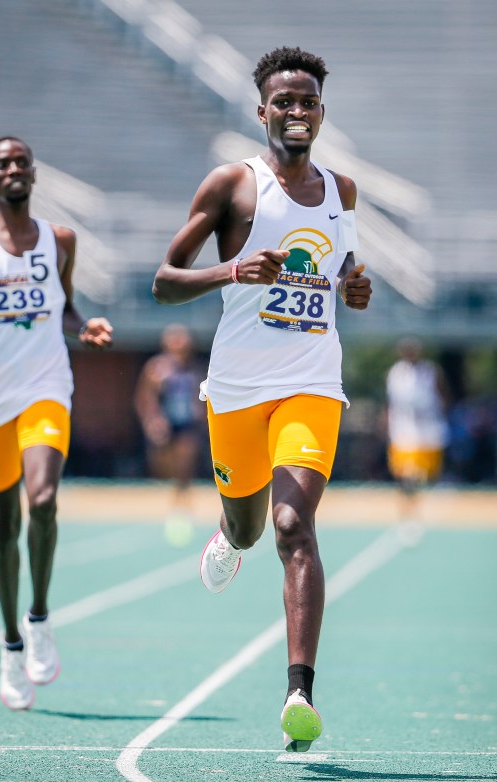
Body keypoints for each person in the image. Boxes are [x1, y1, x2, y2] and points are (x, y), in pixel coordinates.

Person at [152, 47, 372, 752]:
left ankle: (299, 692)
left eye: (308, 101)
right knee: (249, 530)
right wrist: (233, 270)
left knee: (291, 525)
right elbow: (162, 279)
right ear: (262, 112)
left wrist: (355, 290)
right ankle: (227, 533)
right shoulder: (233, 186)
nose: (297, 112)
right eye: (284, 101)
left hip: (312, 385)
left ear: (321, 112)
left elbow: (341, 276)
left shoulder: (344, 192)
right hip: (239, 392)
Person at [0, 136, 113, 710]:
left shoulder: (60, 240)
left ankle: (39, 617)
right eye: (0, 164)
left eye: (20, 162)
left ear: (33, 173)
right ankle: (11, 644)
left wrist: (85, 329)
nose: (12, 169)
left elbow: (66, 308)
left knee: (44, 500)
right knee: (4, 525)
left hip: (45, 389)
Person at [134, 323, 206, 545]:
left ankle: (181, 504)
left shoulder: (195, 369)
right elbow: (144, 398)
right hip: (165, 424)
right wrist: (152, 420)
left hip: (187, 423)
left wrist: (202, 419)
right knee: (162, 467)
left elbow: (201, 398)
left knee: (185, 463)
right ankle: (164, 504)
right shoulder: (156, 368)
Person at [386, 338, 448, 538]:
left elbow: (444, 395)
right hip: (404, 431)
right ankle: (409, 516)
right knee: (407, 476)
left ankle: (421, 511)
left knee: (428, 476)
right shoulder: (395, 373)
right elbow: (391, 403)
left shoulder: (430, 371)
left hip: (429, 430)